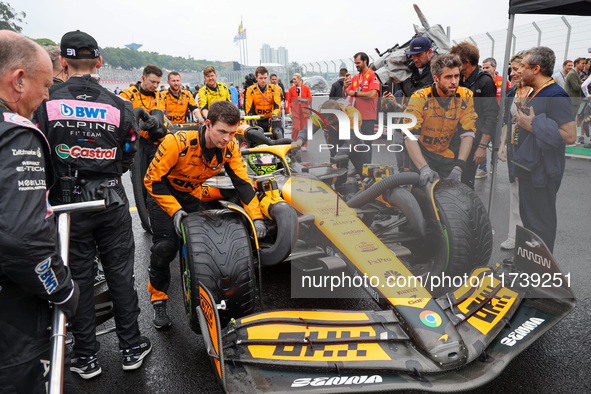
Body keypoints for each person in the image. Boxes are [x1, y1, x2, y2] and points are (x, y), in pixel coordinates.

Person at [35, 29, 150, 379]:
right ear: (99, 62)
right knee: (120, 274)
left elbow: (36, 152)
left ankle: (85, 356)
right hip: (110, 200)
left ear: (63, 62)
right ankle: (131, 346)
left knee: (79, 278)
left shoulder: (44, 101)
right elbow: (129, 152)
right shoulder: (119, 104)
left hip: (66, 206)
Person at [0, 30, 80, 393]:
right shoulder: (15, 134)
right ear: (18, 80)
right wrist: (62, 288)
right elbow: (24, 237)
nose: (48, 95)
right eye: (45, 85)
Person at [143, 101, 266, 324]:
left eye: (231, 133)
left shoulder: (230, 147)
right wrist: (175, 210)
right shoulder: (176, 141)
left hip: (191, 193)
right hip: (163, 193)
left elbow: (243, 183)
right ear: (207, 124)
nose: (227, 139)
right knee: (165, 247)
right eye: (222, 132)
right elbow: (151, 180)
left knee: (199, 245)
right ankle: (158, 299)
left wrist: (256, 218)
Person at [513, 46, 576, 252]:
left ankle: (542, 273)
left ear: (536, 69)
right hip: (530, 168)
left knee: (541, 223)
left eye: (523, 66)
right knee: (529, 221)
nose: (519, 70)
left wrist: (532, 125)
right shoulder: (535, 92)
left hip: (544, 172)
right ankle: (528, 264)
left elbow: (569, 135)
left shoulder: (556, 95)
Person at [403, 54, 477, 185]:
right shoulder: (419, 97)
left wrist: (459, 167)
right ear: (436, 79)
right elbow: (410, 136)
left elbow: (468, 134)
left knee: (451, 195)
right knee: (422, 197)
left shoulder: (466, 95)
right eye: (448, 77)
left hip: (446, 154)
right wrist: (424, 168)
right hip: (422, 153)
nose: (454, 81)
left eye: (456, 76)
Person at [449, 42, 498, 186]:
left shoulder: (485, 81)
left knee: (465, 184)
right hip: (454, 139)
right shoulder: (458, 79)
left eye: (456, 62)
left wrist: (482, 147)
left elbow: (491, 116)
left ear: (467, 62)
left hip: (473, 141)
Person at [497, 53, 530, 250]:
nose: (513, 73)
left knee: (529, 194)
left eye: (517, 69)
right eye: (511, 69)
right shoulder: (511, 92)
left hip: (530, 150)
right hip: (513, 148)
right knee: (515, 191)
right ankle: (513, 234)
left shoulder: (538, 91)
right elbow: (508, 123)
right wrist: (502, 145)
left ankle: (529, 236)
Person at [343, 52, 379, 169]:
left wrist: (356, 93)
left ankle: (367, 170)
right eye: (355, 63)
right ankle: (358, 168)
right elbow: (346, 95)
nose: (356, 65)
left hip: (368, 117)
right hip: (354, 119)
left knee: (367, 145)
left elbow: (372, 94)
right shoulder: (355, 77)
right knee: (354, 144)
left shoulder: (373, 75)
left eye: (358, 63)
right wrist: (344, 87)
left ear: (365, 61)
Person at [245, 66, 282, 136]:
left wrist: (274, 115)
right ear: (256, 78)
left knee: (279, 133)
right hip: (257, 120)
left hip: (271, 119)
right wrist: (253, 120)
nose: (263, 80)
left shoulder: (274, 88)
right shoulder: (250, 90)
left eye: (265, 78)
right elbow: (248, 108)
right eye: (261, 78)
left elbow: (277, 105)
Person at [288, 73, 312, 142]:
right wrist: (289, 111)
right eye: (293, 79)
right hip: (295, 111)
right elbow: (289, 101)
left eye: (295, 79)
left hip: (304, 111)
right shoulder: (291, 89)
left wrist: (302, 99)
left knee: (303, 128)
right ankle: (293, 142)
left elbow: (310, 99)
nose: (293, 80)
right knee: (296, 128)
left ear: (299, 79)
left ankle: (303, 143)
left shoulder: (306, 88)